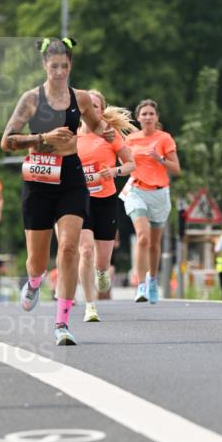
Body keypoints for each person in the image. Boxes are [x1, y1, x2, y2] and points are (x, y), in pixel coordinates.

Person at [0, 37, 104, 345]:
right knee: (38, 260)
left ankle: (62, 323)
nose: (59, 72)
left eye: (64, 66)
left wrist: (106, 130)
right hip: (39, 179)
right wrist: (42, 136)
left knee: (70, 248)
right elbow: (7, 141)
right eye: (53, 66)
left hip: (71, 177)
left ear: (70, 66)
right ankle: (34, 281)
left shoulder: (81, 98)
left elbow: (95, 125)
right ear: (45, 65)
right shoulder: (31, 99)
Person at [77, 90, 135, 322]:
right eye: (87, 106)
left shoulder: (110, 135)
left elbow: (131, 164)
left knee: (102, 261)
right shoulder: (71, 136)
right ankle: (90, 305)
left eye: (96, 107)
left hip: (106, 200)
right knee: (86, 250)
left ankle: (102, 273)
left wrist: (114, 172)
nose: (92, 110)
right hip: (80, 200)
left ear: (102, 111)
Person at [122, 99, 181, 303]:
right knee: (143, 237)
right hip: (137, 190)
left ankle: (153, 280)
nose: (147, 117)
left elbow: (176, 168)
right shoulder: (131, 140)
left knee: (155, 244)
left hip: (159, 193)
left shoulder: (164, 139)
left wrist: (160, 159)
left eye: (151, 114)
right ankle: (141, 286)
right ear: (138, 118)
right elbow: (125, 164)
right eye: (144, 114)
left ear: (157, 118)